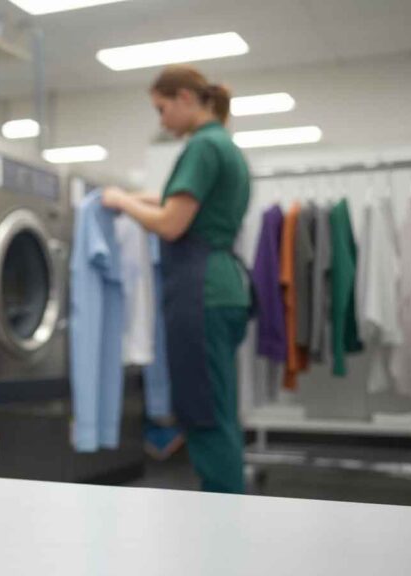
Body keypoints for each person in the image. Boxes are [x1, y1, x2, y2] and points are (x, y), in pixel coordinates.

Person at [102, 64, 252, 494]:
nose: (162, 121)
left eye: (162, 108)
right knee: (218, 407)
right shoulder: (223, 145)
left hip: (201, 292)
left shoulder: (202, 146)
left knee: (203, 410)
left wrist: (122, 203)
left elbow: (171, 223)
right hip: (222, 288)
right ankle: (230, 504)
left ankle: (224, 511)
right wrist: (132, 197)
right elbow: (178, 202)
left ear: (185, 98)